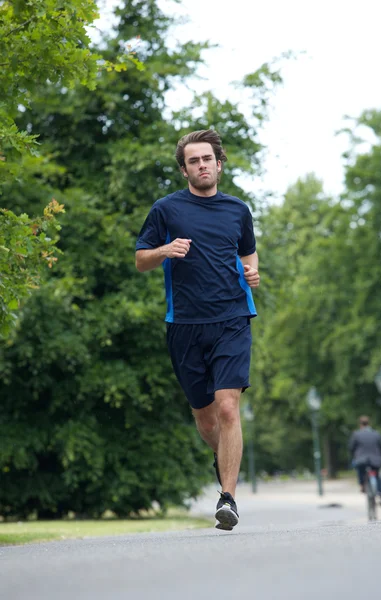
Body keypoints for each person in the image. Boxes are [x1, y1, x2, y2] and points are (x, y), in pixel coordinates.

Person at [135, 129, 260, 530]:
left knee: (227, 407)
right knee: (207, 421)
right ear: (185, 169)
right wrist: (164, 250)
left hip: (232, 318)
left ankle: (228, 498)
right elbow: (140, 259)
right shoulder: (166, 210)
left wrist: (253, 271)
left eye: (207, 159)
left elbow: (248, 253)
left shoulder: (238, 210)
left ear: (219, 164)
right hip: (185, 324)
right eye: (194, 161)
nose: (202, 165)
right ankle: (222, 458)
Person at [349, 415, 381, 504]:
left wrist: (353, 455)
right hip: (376, 459)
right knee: (377, 476)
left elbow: (351, 447)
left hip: (361, 459)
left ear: (360, 424)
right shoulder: (376, 434)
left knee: (360, 471)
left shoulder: (356, 434)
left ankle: (362, 485)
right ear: (369, 423)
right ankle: (380, 492)